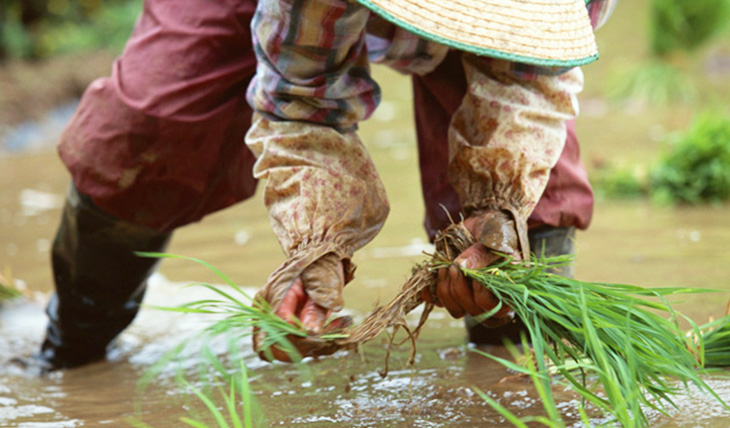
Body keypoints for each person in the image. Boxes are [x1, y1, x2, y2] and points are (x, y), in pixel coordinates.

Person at [37, 0, 615, 369]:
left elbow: (529, 89)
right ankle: (71, 348)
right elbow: (302, 99)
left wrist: (498, 216)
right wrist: (318, 245)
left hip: (496, 34)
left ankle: (515, 370)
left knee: (531, 223)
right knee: (147, 130)